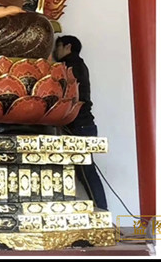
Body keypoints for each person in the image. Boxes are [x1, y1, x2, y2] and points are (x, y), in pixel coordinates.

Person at [54, 35, 108, 210]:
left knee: (86, 172)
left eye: (58, 46)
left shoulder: (70, 66)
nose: (56, 51)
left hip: (79, 124)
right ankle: (100, 209)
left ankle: (101, 210)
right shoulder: (78, 64)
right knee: (84, 171)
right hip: (83, 124)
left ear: (68, 47)